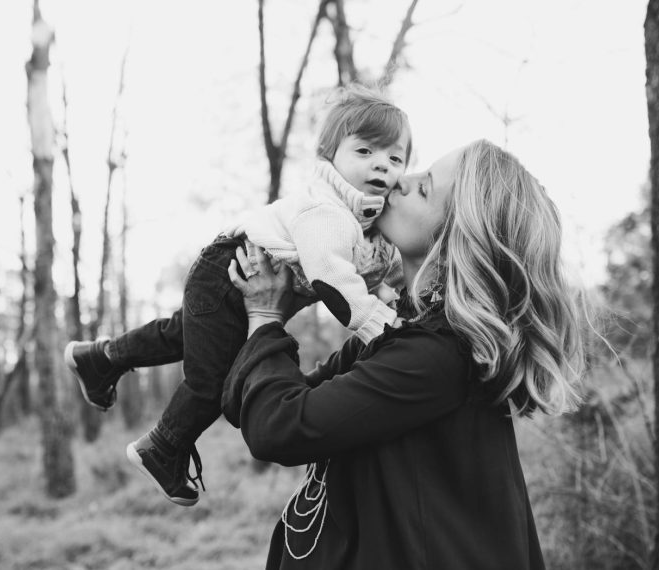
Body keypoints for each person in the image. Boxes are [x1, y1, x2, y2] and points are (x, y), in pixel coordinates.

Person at [222, 139, 585, 569]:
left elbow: (278, 427)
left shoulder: (439, 355)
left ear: (458, 237)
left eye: (424, 188)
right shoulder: (399, 331)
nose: (400, 178)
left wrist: (265, 316)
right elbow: (253, 405)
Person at [63, 85, 411, 507]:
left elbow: (379, 269)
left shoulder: (365, 222)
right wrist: (380, 324)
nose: (382, 165)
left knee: (180, 333)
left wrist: (395, 292)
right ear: (329, 155)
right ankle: (162, 447)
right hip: (229, 269)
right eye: (365, 151)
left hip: (227, 273)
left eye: (395, 158)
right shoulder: (327, 212)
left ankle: (99, 358)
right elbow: (333, 279)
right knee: (213, 376)